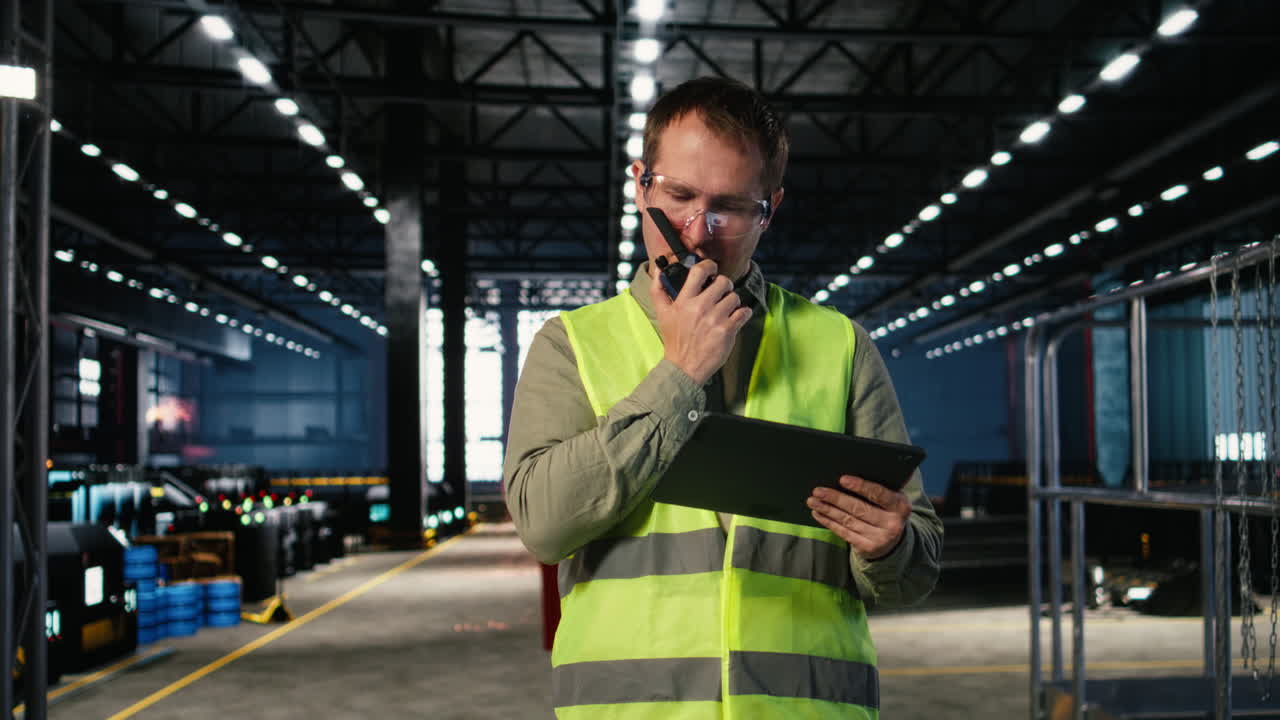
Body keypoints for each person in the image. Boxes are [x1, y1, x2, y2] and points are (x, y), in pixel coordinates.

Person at [504, 76, 943, 719]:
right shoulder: (571, 344)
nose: (696, 230)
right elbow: (543, 526)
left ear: (771, 207)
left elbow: (916, 569)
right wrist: (678, 374)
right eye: (678, 194)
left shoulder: (839, 347)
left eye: (731, 208)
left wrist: (889, 546)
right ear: (640, 183)